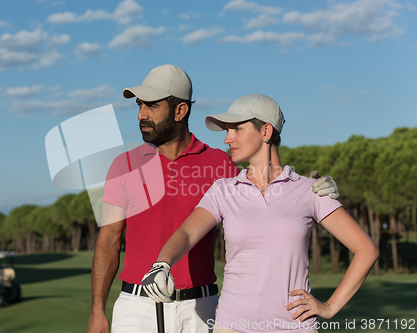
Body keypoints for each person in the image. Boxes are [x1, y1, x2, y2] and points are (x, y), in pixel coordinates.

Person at [87, 66, 339, 333]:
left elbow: (269, 195)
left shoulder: (220, 164)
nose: (141, 115)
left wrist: (313, 188)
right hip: (136, 309)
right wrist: (97, 310)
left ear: (180, 111)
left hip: (201, 308)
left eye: (151, 106)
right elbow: (109, 240)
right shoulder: (123, 165)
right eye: (139, 106)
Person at [141, 94, 379, 333]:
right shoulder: (223, 191)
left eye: (236, 129)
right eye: (226, 131)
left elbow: (366, 250)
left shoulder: (309, 190)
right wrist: (162, 264)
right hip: (232, 327)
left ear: (266, 131)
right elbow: (186, 233)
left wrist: (330, 306)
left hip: (295, 328)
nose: (227, 138)